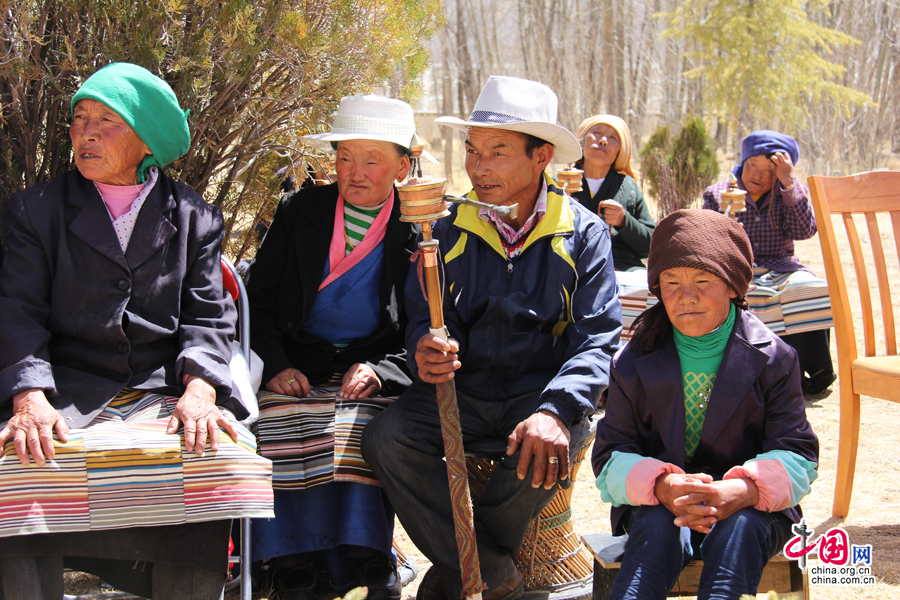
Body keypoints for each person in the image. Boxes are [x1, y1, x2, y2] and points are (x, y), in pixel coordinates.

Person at [0, 62, 273, 599]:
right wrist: (29, 395)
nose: (88, 133)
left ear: (147, 141)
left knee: (203, 454)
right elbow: (17, 309)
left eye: (108, 121)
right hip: (65, 387)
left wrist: (199, 389)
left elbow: (209, 316)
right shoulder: (37, 211)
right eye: (80, 119)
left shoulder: (195, 217)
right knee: (21, 465)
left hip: (158, 388)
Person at [361, 76, 622, 600]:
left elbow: (598, 338)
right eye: (473, 151)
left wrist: (555, 409)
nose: (478, 168)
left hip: (540, 393)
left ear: (541, 157)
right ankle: (490, 570)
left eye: (497, 153)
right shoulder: (449, 228)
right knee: (385, 438)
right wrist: (427, 349)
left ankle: (463, 568)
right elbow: (424, 315)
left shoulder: (582, 232)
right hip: (464, 389)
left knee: (552, 446)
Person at [592, 209, 819, 600]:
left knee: (741, 529)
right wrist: (663, 485)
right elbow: (611, 454)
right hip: (660, 503)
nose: (687, 296)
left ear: (734, 286)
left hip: (753, 507)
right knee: (657, 529)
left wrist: (745, 490)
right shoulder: (632, 360)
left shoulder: (774, 357)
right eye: (671, 282)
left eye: (703, 280)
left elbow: (799, 454)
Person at [245, 95, 418, 600]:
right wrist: (274, 364)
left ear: (402, 166)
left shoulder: (420, 225)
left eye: (372, 161)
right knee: (275, 420)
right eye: (345, 158)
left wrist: (383, 371)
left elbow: (426, 323)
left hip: (368, 364)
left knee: (360, 425)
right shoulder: (302, 209)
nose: (354, 172)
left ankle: (369, 557)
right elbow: (260, 297)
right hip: (298, 360)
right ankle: (290, 562)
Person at [702, 130, 835, 394]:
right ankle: (740, 369)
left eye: (769, 170)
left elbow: (805, 231)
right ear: (743, 162)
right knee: (733, 295)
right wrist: (727, 217)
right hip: (735, 267)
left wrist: (788, 184)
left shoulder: (788, 192)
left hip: (781, 265)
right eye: (752, 165)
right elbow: (705, 238)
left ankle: (815, 368)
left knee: (811, 288)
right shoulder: (718, 193)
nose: (757, 175)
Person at [570, 114, 655, 272]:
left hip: (622, 268)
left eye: (613, 137)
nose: (603, 140)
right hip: (570, 266)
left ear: (619, 151)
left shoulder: (628, 186)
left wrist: (624, 221)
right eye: (596, 133)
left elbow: (650, 246)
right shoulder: (561, 182)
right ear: (581, 142)